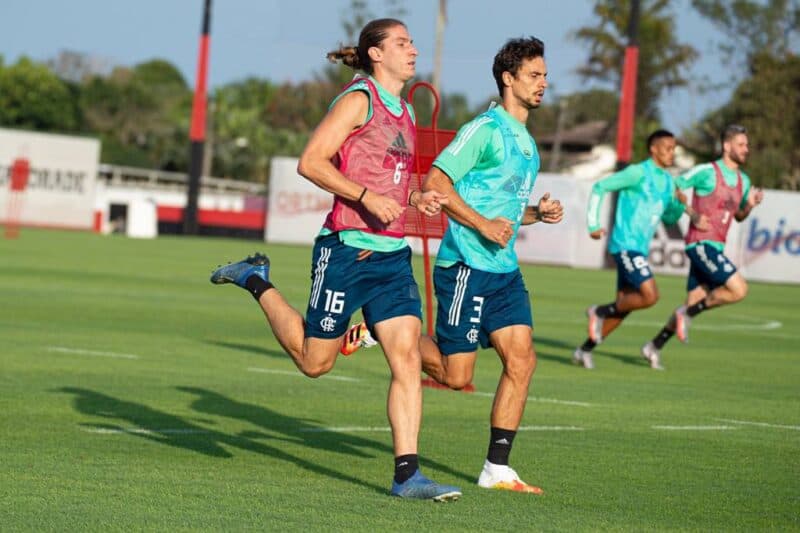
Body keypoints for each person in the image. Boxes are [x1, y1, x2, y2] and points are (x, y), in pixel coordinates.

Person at [209, 18, 460, 502]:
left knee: (407, 359)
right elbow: (311, 162)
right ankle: (256, 279)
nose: (413, 50)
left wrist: (414, 201)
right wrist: (365, 195)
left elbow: (393, 185)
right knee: (314, 362)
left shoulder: (406, 111)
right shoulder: (357, 100)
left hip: (392, 259)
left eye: (412, 42)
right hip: (345, 251)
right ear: (375, 54)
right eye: (402, 43)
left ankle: (408, 476)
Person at [350, 36, 564, 494]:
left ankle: (497, 469)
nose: (544, 83)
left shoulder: (527, 140)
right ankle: (376, 325)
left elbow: (500, 208)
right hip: (465, 266)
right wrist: (483, 225)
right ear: (508, 79)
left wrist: (534, 215)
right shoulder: (483, 129)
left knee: (522, 360)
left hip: (504, 271)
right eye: (534, 75)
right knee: (455, 375)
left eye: (545, 75)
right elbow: (437, 182)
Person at [572, 129, 708, 371]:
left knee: (626, 305)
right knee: (650, 296)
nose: (672, 152)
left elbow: (668, 218)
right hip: (625, 245)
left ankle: (584, 350)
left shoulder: (668, 182)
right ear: (653, 148)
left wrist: (680, 205)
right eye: (667, 147)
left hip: (639, 251)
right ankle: (598, 311)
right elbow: (600, 187)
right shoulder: (637, 173)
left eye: (674, 148)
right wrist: (593, 224)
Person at [641, 124, 763, 362]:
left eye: (747, 145)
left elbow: (738, 216)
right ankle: (686, 314)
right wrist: (692, 213)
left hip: (716, 246)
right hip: (700, 244)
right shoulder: (707, 171)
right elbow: (674, 186)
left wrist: (749, 205)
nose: (746, 149)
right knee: (739, 289)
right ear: (727, 146)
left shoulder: (743, 181)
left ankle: (653, 346)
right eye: (741, 144)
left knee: (693, 301)